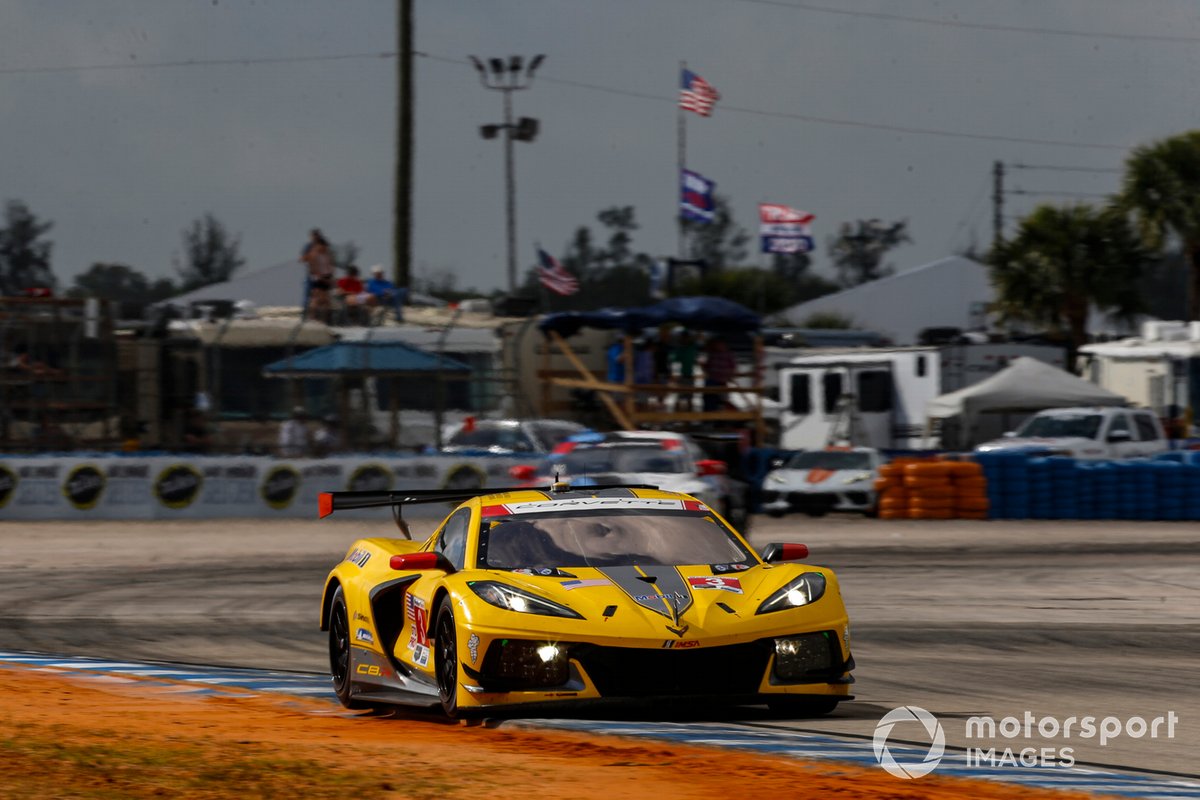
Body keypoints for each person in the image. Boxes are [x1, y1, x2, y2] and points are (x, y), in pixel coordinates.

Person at [301, 229, 334, 324]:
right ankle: (312, 318)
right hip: (318, 279)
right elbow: (313, 269)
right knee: (316, 299)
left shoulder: (326, 255)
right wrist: (321, 277)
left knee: (326, 301)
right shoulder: (314, 255)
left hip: (326, 278)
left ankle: (324, 321)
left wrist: (330, 278)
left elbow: (329, 267)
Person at [702, 336, 737, 412]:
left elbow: (733, 367)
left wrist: (730, 376)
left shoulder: (728, 354)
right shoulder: (712, 354)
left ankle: (721, 418)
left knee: (722, 401)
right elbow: (707, 366)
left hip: (722, 381)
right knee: (709, 399)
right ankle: (709, 418)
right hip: (712, 380)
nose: (718, 346)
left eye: (720, 344)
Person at [671, 328, 700, 411]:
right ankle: (677, 418)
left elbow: (697, 339)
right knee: (678, 397)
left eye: (686, 337)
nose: (685, 339)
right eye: (683, 337)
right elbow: (674, 361)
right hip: (680, 376)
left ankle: (689, 419)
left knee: (689, 397)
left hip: (690, 375)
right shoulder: (678, 349)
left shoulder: (692, 347)